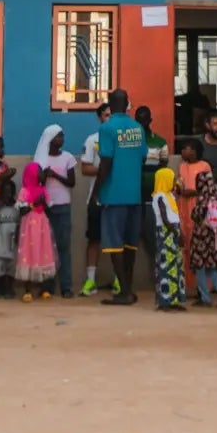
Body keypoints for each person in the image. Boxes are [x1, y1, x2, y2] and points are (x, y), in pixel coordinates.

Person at [96, 87, 147, 304]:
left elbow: (106, 162)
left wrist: (96, 191)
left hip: (113, 194)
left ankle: (124, 292)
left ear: (110, 104)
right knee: (130, 243)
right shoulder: (138, 128)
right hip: (134, 194)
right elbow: (143, 157)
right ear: (127, 104)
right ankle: (129, 288)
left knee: (114, 243)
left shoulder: (107, 129)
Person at [34, 127, 77, 299]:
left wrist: (56, 176)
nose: (62, 138)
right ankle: (47, 286)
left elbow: (72, 182)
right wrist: (44, 175)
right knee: (46, 248)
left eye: (62, 135)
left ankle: (66, 286)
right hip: (45, 208)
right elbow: (36, 183)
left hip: (63, 206)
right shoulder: (41, 159)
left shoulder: (68, 158)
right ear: (50, 139)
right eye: (59, 136)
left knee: (63, 247)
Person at [79, 101, 112, 296]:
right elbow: (85, 168)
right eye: (106, 115)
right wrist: (105, 170)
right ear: (100, 118)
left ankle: (119, 280)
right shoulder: (92, 140)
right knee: (94, 239)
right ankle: (90, 281)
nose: (109, 118)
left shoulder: (122, 139)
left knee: (118, 240)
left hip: (117, 198)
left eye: (112, 115)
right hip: (96, 198)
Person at [187, 163, 217, 307]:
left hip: (201, 238)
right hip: (216, 238)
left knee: (200, 267)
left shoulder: (203, 200)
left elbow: (195, 215)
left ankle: (205, 297)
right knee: (211, 267)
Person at [16, 160, 57, 300]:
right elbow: (21, 210)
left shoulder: (43, 190)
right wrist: (35, 203)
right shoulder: (24, 190)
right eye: (39, 171)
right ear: (33, 174)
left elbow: (48, 207)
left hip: (42, 225)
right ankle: (27, 290)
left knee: (43, 252)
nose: (42, 174)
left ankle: (44, 288)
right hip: (29, 226)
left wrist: (43, 202)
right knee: (29, 253)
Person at [135, 104, 169, 264]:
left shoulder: (160, 142)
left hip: (152, 197)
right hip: (133, 195)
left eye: (144, 121)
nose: (142, 124)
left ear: (150, 121)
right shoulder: (130, 142)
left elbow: (163, 166)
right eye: (138, 121)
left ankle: (159, 273)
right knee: (131, 237)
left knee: (152, 235)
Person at [151, 167, 187, 310]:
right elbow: (165, 218)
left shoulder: (170, 196)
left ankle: (176, 300)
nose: (174, 182)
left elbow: (180, 192)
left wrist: (179, 232)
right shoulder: (159, 196)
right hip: (166, 233)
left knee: (177, 266)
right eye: (171, 179)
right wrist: (177, 233)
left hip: (174, 231)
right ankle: (165, 301)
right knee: (166, 267)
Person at [176, 136, 206, 292]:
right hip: (184, 208)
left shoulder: (204, 166)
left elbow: (208, 188)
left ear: (193, 151)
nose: (182, 151)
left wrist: (192, 192)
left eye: (184, 148)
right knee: (185, 246)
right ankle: (188, 286)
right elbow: (179, 183)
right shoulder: (182, 166)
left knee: (198, 247)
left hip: (198, 208)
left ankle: (202, 287)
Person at [0, 178, 19, 297]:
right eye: (5, 192)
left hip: (12, 244)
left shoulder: (17, 207)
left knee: (11, 268)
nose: (8, 194)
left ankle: (9, 288)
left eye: (10, 192)